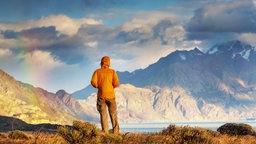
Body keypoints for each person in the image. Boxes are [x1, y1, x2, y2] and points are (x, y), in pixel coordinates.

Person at [91, 56, 120, 134]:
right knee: (113, 114)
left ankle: (105, 132)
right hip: (111, 95)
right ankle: (116, 132)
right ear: (109, 63)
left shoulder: (97, 72)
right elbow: (116, 83)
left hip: (101, 96)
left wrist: (99, 86)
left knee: (103, 115)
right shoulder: (112, 72)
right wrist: (111, 87)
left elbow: (93, 82)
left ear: (101, 62)